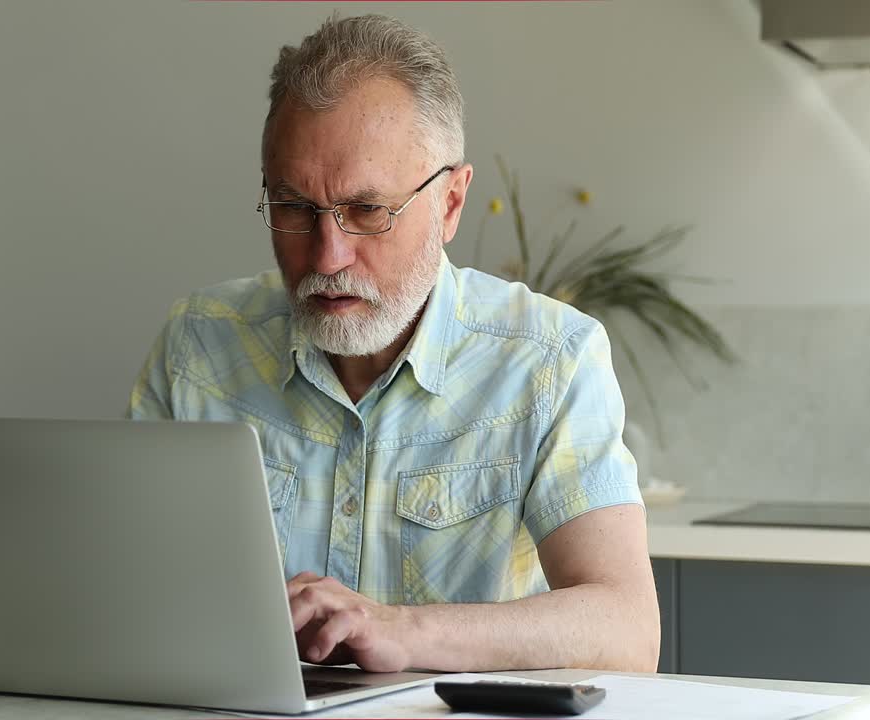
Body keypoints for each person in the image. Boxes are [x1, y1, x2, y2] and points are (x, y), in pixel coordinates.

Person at [127, 13, 659, 674]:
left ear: (451, 204)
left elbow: (626, 629)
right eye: (295, 207)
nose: (328, 254)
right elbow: (126, 596)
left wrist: (403, 632)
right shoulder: (199, 349)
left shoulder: (549, 360)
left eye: (367, 210)